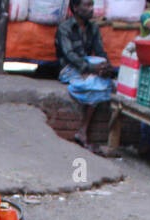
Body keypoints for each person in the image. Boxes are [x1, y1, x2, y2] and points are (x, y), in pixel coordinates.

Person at [56, 0, 116, 149]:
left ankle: (83, 131)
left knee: (98, 82)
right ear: (76, 8)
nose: (92, 9)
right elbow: (69, 55)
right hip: (69, 68)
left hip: (87, 67)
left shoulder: (93, 28)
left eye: (92, 5)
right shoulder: (65, 28)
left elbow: (100, 52)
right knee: (98, 84)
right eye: (87, 5)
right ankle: (83, 130)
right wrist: (91, 68)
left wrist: (106, 66)